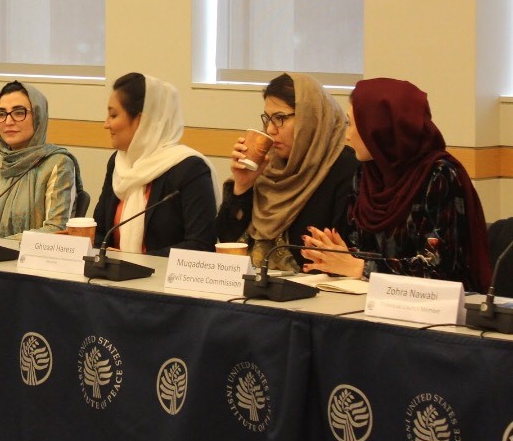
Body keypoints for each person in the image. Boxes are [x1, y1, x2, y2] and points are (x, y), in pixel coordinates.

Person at [302, 78, 492, 290]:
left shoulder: (440, 174)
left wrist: (361, 267)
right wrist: (339, 255)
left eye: (352, 124)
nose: (346, 136)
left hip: (438, 307)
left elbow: (439, 269)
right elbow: (363, 252)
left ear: (379, 129)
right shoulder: (367, 174)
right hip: (375, 301)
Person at [215, 73, 359, 271]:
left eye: (280, 118)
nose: (271, 130)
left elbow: (340, 256)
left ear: (310, 118)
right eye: (268, 118)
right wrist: (242, 186)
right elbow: (227, 244)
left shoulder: (345, 168)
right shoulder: (268, 166)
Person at [92, 73, 219, 255]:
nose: (106, 124)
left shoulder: (189, 168)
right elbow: (100, 231)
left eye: (113, 115)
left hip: (166, 280)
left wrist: (138, 262)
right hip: (113, 278)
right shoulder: (118, 163)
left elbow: (200, 245)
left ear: (140, 121)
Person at [0, 81, 81, 239]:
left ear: (38, 116)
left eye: (18, 112)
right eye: (1, 114)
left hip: (36, 260)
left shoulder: (58, 164)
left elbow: (56, 230)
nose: (8, 121)